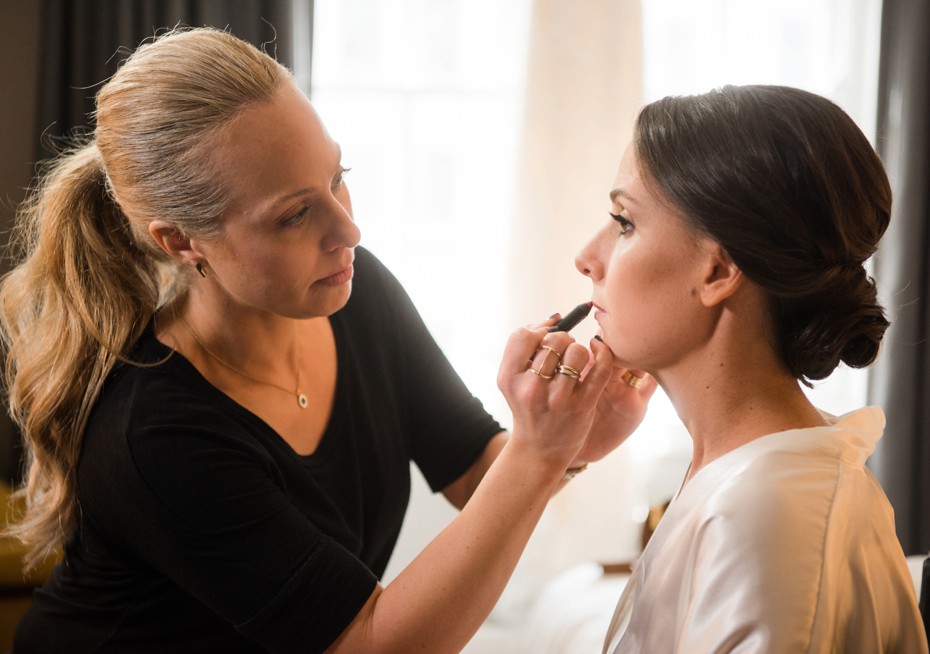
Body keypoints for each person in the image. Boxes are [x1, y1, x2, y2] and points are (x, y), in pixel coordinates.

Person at [0, 27, 653, 653]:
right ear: (180, 241)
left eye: (338, 177)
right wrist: (537, 456)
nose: (349, 231)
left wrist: (573, 443)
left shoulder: (351, 291)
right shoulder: (153, 433)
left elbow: (479, 475)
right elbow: (370, 644)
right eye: (294, 214)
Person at [574, 85, 928, 653]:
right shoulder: (738, 479)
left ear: (717, 270)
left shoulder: (768, 512)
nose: (587, 257)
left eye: (624, 223)